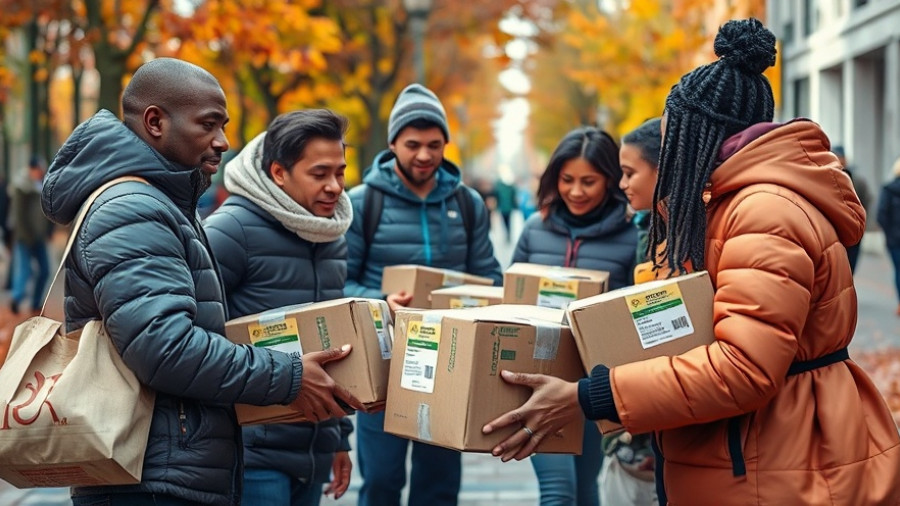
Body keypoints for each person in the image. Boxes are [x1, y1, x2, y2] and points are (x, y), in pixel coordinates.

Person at [482, 18, 900, 505]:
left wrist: (590, 397)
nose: (670, 152)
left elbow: (743, 368)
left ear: (701, 134)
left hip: (779, 460)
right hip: (754, 451)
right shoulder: (732, 204)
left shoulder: (764, 212)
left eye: (673, 135)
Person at [40, 57, 363, 506]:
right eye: (209, 125)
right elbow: (164, 346)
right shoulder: (132, 208)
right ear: (155, 122)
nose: (224, 141)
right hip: (152, 480)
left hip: (168, 468)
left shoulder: (161, 204)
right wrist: (289, 377)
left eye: (224, 125)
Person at [345, 83, 502, 506]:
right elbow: (341, 284)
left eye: (434, 145)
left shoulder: (467, 203)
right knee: (380, 478)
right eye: (412, 144)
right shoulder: (361, 203)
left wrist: (476, 304)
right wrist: (383, 305)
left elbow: (489, 275)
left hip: (448, 362)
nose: (424, 155)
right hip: (385, 362)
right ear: (393, 142)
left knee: (439, 482)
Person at [204, 109, 355, 505]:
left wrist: (340, 440)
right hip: (252, 451)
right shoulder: (229, 231)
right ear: (278, 173)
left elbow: (335, 344)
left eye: (340, 172)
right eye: (319, 174)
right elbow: (195, 338)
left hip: (315, 445)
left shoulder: (331, 234)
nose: (335, 187)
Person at [512, 126, 636, 506]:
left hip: (596, 384)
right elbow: (509, 300)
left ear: (610, 181)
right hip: (538, 382)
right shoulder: (535, 230)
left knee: (585, 490)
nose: (576, 191)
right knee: (558, 492)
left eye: (589, 181)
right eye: (567, 180)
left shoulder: (633, 236)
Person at [593, 117, 665, 506]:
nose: (622, 184)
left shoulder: (676, 231)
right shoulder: (647, 227)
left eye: (629, 172)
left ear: (662, 167)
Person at [8, 156, 51, 315]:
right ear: (33, 169)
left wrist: (47, 231)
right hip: (25, 237)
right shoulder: (21, 186)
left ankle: (35, 302)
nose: (41, 173)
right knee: (24, 270)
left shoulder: (40, 186)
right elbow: (18, 215)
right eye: (39, 170)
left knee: (45, 270)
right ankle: (16, 299)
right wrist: (25, 236)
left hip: (39, 237)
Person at [833, 145, 872, 273]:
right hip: (837, 232)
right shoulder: (828, 176)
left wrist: (864, 224)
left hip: (854, 231)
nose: (839, 160)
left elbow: (867, 200)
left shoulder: (858, 180)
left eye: (840, 157)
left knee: (850, 268)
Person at [876, 156, 900, 316]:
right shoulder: (888, 190)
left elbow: (881, 215)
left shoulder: (887, 189)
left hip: (894, 240)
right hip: (894, 240)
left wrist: (889, 234)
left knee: (899, 270)